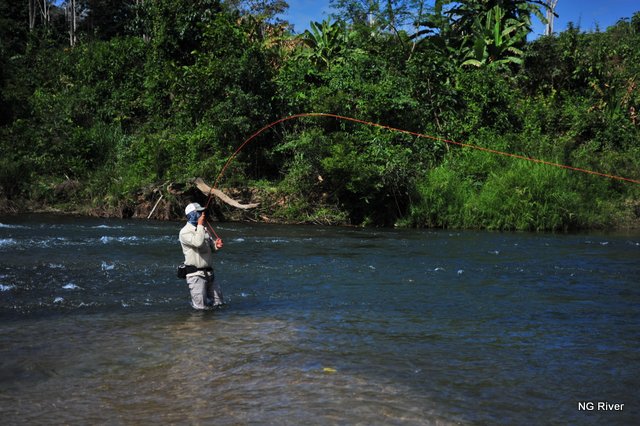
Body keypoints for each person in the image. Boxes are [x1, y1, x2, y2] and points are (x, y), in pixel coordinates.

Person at [179, 202, 224, 310]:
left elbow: (211, 248)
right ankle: (199, 327)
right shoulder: (184, 232)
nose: (202, 214)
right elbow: (198, 243)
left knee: (219, 304)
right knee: (200, 309)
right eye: (199, 212)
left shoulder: (203, 229)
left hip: (209, 273)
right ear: (191, 215)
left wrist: (216, 246)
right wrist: (200, 225)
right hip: (195, 275)